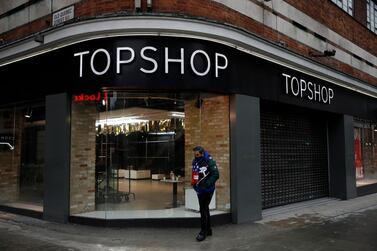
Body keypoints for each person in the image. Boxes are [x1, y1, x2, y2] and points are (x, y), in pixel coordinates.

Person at [191, 146, 219, 241]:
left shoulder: (209, 160)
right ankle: (208, 229)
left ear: (202, 153)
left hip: (207, 190)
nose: (196, 156)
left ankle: (203, 232)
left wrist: (207, 184)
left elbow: (216, 174)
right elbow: (195, 173)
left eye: (197, 154)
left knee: (203, 209)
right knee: (205, 209)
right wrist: (194, 185)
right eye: (194, 154)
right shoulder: (195, 161)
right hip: (200, 190)